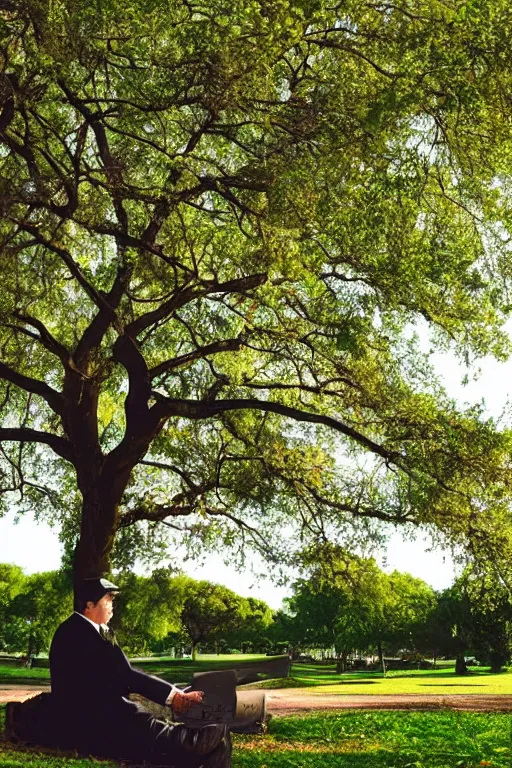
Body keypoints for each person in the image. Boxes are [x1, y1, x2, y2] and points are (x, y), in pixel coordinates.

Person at [48, 577, 231, 767]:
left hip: (109, 718)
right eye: (108, 600)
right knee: (210, 734)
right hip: (96, 724)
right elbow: (126, 675)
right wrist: (175, 697)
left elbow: (120, 675)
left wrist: (175, 694)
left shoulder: (88, 630)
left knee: (217, 735)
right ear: (89, 605)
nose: (112, 605)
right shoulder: (78, 633)